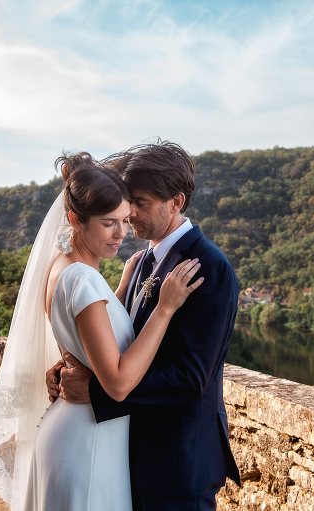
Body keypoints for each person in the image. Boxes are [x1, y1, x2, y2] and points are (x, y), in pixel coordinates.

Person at [0, 151, 203, 511]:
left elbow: (89, 328)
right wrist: (165, 307)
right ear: (75, 220)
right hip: (89, 440)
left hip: (72, 431)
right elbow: (116, 382)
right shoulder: (84, 280)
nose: (121, 234)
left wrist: (119, 289)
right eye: (107, 223)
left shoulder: (63, 267)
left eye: (125, 220)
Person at [47, 141, 241, 511]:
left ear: (176, 202)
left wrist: (97, 392)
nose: (129, 213)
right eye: (126, 201)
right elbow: (119, 341)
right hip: (126, 455)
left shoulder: (207, 267)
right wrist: (70, 368)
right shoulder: (141, 261)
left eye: (141, 203)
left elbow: (189, 378)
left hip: (176, 464)